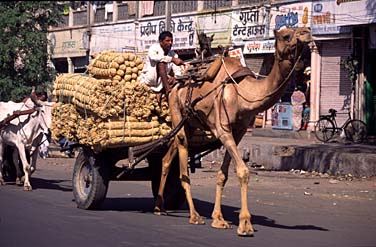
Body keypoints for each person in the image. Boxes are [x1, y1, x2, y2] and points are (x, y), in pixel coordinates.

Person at [138, 31, 187, 102]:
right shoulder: (153, 49)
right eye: (167, 41)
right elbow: (155, 58)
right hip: (151, 80)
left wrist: (175, 78)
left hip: (163, 81)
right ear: (161, 42)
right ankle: (168, 90)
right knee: (161, 63)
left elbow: (177, 71)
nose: (170, 43)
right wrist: (172, 59)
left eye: (171, 41)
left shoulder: (173, 54)